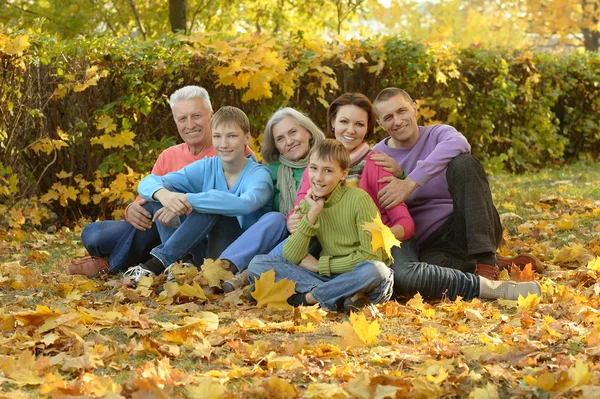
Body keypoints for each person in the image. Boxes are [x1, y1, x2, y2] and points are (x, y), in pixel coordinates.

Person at [68, 86, 253, 277]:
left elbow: (239, 208)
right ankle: (158, 258)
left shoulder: (233, 150)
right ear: (175, 122)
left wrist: (180, 203)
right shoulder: (169, 155)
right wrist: (132, 209)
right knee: (94, 234)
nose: (190, 124)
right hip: (161, 228)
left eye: (196, 116)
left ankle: (109, 263)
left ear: (211, 117)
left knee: (155, 216)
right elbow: (146, 199)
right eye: (182, 119)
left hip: (203, 237)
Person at [371, 88, 543, 280]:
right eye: (388, 117)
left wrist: (409, 182)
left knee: (464, 163)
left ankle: (486, 262)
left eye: (402, 111)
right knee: (423, 268)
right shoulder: (377, 156)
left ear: (414, 108)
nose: (397, 121)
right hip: (429, 243)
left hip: (466, 226)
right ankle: (497, 266)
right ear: (380, 124)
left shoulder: (438, 134)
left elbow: (460, 143)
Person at [122, 106, 273, 284]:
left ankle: (157, 263)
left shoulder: (259, 174)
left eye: (231, 136)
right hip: (201, 251)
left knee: (212, 204)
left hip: (233, 255)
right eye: (217, 136)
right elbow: (150, 182)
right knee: (164, 190)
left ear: (247, 137)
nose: (223, 144)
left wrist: (188, 199)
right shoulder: (207, 166)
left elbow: (246, 204)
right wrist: (164, 195)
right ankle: (182, 263)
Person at [248, 139, 394, 312]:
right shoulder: (310, 202)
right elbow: (292, 256)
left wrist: (320, 266)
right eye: (313, 168)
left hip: (362, 277)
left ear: (343, 174)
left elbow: (372, 256)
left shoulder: (359, 200)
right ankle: (344, 296)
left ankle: (307, 298)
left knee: (376, 270)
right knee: (257, 264)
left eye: (328, 171)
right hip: (328, 279)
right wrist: (312, 215)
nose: (318, 177)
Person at [215, 108, 325, 292]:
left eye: (293, 132)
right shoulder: (270, 171)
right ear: (275, 146)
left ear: (308, 131)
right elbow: (258, 215)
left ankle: (246, 276)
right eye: (280, 139)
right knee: (276, 218)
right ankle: (220, 270)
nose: (289, 141)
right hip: (279, 236)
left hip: (315, 238)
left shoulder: (327, 164)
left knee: (307, 230)